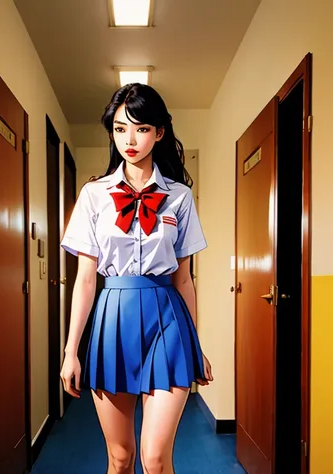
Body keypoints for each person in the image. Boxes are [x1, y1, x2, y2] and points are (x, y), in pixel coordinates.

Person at [60, 83, 213, 474]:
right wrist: (71, 350)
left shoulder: (179, 196)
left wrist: (195, 345)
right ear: (111, 131)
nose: (130, 139)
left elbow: (184, 279)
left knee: (156, 459)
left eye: (142, 128)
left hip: (168, 323)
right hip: (112, 321)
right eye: (120, 128)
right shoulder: (93, 195)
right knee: (120, 457)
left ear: (159, 133)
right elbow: (85, 280)